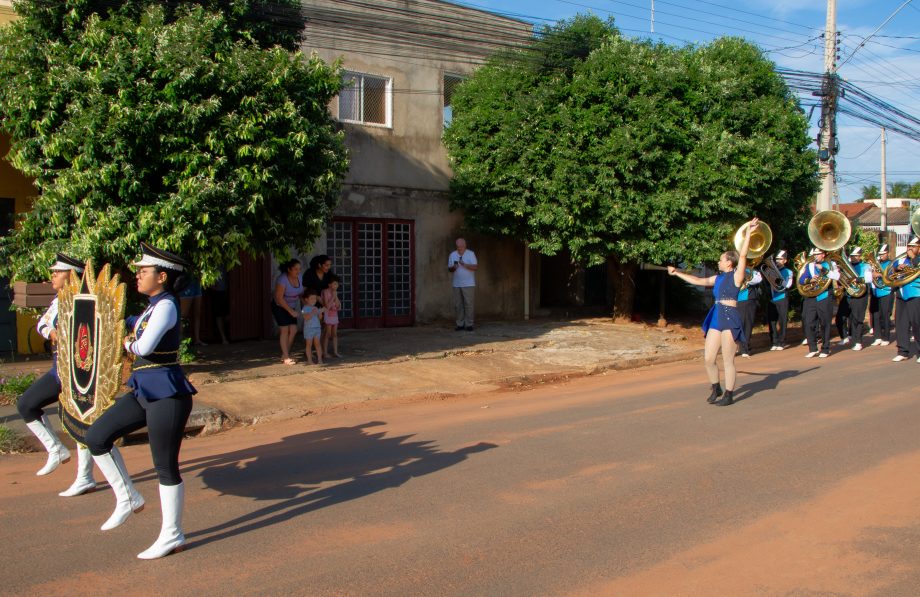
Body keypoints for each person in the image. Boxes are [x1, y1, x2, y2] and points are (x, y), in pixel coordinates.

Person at [84, 243, 197, 560]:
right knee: (97, 437)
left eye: (143, 271)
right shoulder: (152, 306)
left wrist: (128, 343)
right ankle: (127, 497)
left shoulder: (167, 306)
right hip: (143, 390)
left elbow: (145, 346)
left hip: (168, 394)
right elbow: (134, 322)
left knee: (165, 466)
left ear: (161, 276)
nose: (137, 275)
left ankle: (172, 534)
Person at [15, 254, 113, 497]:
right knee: (27, 404)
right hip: (59, 369)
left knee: (78, 419)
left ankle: (85, 477)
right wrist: (52, 333)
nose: (53, 276)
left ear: (71, 275)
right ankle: (55, 449)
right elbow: (42, 324)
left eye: (57, 272)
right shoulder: (60, 301)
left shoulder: (85, 300)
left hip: (80, 371)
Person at [667, 218, 760, 407]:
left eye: (721, 258)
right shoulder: (718, 278)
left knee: (728, 359)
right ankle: (716, 387)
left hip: (730, 316)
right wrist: (677, 272)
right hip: (717, 315)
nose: (718, 261)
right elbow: (697, 281)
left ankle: (729, 394)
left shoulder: (737, 276)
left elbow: (742, 257)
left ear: (729, 263)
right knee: (709, 358)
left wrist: (749, 233)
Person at [799, 247, 840, 358]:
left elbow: (837, 276)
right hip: (812, 296)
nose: (815, 256)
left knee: (825, 323)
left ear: (823, 254)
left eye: (818, 254)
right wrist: (810, 280)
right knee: (809, 322)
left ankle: (825, 349)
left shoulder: (831, 264)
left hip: (825, 296)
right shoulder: (810, 265)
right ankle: (813, 348)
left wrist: (823, 269)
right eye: (815, 254)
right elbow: (801, 280)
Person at [891, 235, 920, 362]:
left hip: (916, 294)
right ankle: (902, 351)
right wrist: (897, 269)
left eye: (913, 247)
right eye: (908, 246)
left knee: (917, 324)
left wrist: (914, 259)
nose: (909, 249)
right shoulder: (901, 260)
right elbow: (890, 274)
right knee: (901, 324)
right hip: (901, 294)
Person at [272, 259, 302, 365]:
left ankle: (285, 354)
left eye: (299, 269)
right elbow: (279, 298)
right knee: (284, 330)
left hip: (291, 307)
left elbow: (301, 293)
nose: (298, 271)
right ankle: (286, 357)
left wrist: (307, 306)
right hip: (280, 306)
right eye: (295, 269)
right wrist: (291, 312)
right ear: (289, 269)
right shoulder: (282, 279)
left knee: (293, 330)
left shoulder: (300, 278)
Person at [845, 247, 873, 351]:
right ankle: (853, 338)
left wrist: (858, 279)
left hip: (861, 295)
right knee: (851, 317)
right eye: (851, 256)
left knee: (858, 318)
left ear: (859, 256)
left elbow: (869, 279)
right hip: (850, 294)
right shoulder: (848, 266)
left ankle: (859, 341)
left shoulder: (866, 266)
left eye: (855, 256)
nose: (853, 258)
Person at [448, 238, 478, 331]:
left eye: (461, 246)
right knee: (458, 305)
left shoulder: (470, 254)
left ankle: (469, 324)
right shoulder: (452, 254)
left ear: (465, 245)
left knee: (468, 304)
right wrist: (454, 267)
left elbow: (475, 267)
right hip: (457, 284)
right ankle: (460, 324)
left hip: (468, 283)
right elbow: (449, 269)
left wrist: (465, 265)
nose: (459, 248)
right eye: (458, 246)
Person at [767, 250, 794, 350]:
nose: (777, 261)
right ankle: (774, 342)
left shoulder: (788, 272)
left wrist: (778, 279)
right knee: (772, 321)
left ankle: (782, 342)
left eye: (780, 259)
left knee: (782, 320)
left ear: (785, 261)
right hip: (773, 298)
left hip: (782, 298)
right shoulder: (771, 271)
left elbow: (788, 285)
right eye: (776, 259)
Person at [869, 244, 894, 347]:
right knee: (876, 316)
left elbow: (892, 276)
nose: (881, 256)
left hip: (887, 291)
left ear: (887, 253)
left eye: (883, 254)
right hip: (876, 292)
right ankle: (877, 337)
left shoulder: (891, 264)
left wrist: (879, 274)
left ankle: (886, 337)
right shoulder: (877, 263)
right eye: (880, 254)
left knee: (885, 315)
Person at [736, 269, 762, 357]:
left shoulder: (750, 270)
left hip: (747, 299)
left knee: (746, 324)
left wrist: (745, 273)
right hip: (733, 300)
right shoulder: (731, 269)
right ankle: (736, 347)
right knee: (736, 324)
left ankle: (745, 348)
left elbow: (758, 279)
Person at [179, 275, 205, 346]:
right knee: (183, 316)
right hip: (186, 283)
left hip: (197, 282)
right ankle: (180, 342)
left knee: (197, 313)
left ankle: (197, 339)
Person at [321, 274, 342, 358]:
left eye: (337, 284)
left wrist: (335, 296)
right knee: (327, 334)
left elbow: (338, 306)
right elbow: (327, 306)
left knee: (335, 334)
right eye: (334, 284)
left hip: (335, 316)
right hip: (328, 316)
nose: (336, 286)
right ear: (329, 284)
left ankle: (335, 352)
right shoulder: (325, 292)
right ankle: (325, 353)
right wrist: (333, 296)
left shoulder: (335, 293)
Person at [301, 289, 324, 365]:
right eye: (312, 299)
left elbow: (319, 318)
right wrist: (312, 312)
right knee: (309, 344)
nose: (314, 300)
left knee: (317, 344)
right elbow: (306, 318)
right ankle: (310, 360)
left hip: (317, 328)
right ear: (306, 299)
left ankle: (320, 360)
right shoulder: (305, 308)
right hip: (309, 329)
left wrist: (320, 313)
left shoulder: (316, 307)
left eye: (315, 298)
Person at [208, 268, 230, 344]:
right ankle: (223, 338)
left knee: (226, 316)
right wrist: (213, 287)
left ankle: (226, 336)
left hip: (225, 292)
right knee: (219, 316)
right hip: (217, 292)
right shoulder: (211, 264)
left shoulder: (224, 264)